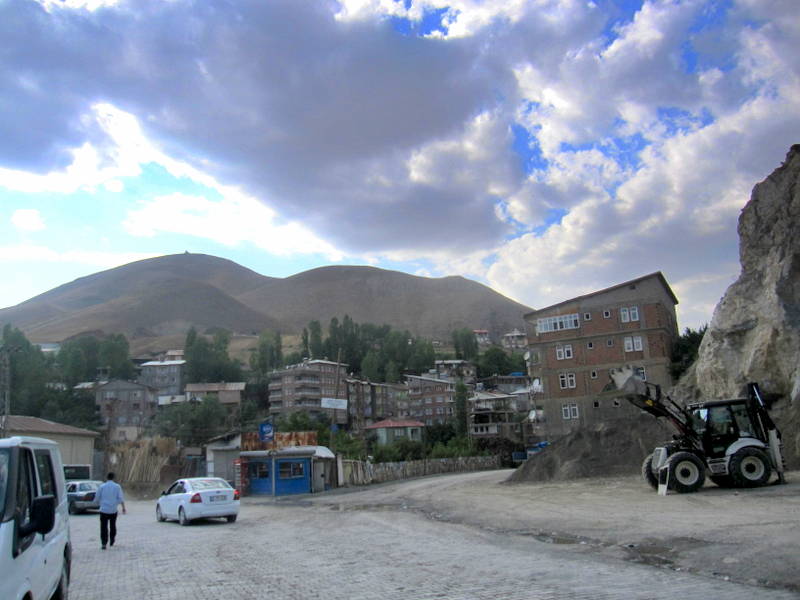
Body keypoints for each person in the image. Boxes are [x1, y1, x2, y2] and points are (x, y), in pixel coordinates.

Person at [95, 472, 126, 550]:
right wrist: (122, 507)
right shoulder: (117, 486)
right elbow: (121, 498)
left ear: (107, 478)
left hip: (104, 510)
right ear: (113, 478)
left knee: (103, 527)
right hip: (113, 510)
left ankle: (104, 543)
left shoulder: (102, 486)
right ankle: (112, 539)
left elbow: (97, 497)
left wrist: (100, 503)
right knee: (113, 525)